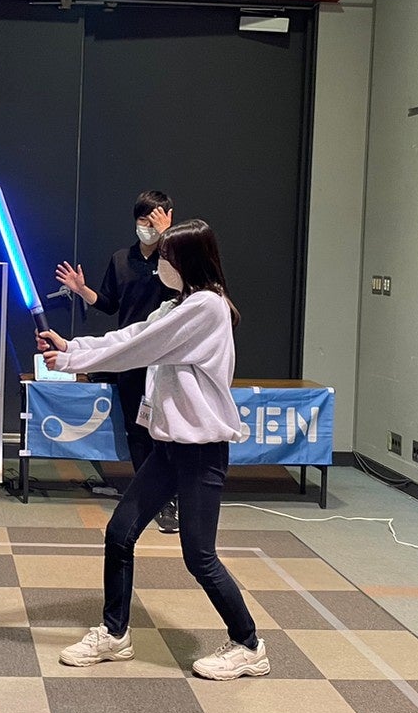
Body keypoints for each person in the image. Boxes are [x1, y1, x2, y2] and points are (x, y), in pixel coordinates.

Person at [40, 218, 268, 680]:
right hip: (168, 448)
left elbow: (141, 349)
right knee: (119, 533)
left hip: (201, 450)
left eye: (166, 256)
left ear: (188, 261)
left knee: (199, 556)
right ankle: (115, 633)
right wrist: (72, 345)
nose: (159, 263)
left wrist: (68, 361)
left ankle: (248, 644)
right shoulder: (176, 305)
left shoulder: (207, 307)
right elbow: (128, 335)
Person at [55, 190, 180, 533]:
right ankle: (149, 496)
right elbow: (110, 304)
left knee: (166, 429)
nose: (148, 226)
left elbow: (187, 292)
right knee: (136, 430)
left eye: (155, 220)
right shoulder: (122, 259)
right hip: (129, 355)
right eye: (143, 220)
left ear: (168, 219)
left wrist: (167, 237)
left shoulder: (174, 258)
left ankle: (170, 498)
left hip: (166, 357)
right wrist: (82, 290)